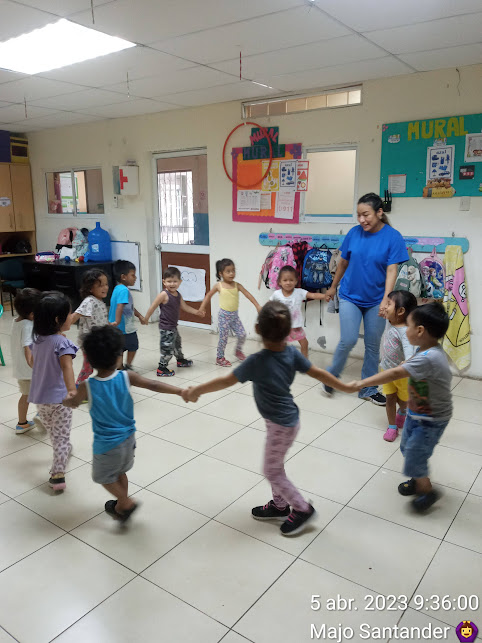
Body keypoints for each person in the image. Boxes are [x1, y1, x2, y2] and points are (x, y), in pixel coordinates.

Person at [186, 301, 357, 536]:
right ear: (289, 333)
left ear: (257, 328)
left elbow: (226, 381)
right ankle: (279, 505)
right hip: (284, 421)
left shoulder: (256, 361)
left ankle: (302, 508)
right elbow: (318, 373)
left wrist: (197, 390)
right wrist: (344, 386)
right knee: (276, 465)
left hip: (281, 425)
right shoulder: (292, 354)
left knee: (271, 470)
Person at [63, 325, 189, 522]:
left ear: (89, 360)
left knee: (103, 477)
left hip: (106, 445)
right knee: (119, 471)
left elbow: (73, 403)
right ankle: (121, 507)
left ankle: (125, 501)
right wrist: (180, 391)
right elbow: (153, 384)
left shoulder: (88, 386)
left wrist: (67, 398)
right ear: (118, 357)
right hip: (129, 439)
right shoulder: (126, 376)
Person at [351, 302, 451, 512]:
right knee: (407, 446)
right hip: (417, 412)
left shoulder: (429, 357)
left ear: (420, 331)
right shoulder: (426, 349)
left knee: (415, 453)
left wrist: (362, 383)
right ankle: (417, 477)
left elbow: (396, 373)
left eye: (408, 326)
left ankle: (427, 491)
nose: (406, 331)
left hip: (432, 419)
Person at [324, 193, 408, 405]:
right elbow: (343, 263)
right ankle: (332, 375)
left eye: (366, 214)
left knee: (372, 344)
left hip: (376, 300)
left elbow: (391, 270)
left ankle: (368, 389)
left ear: (379, 212)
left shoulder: (393, 237)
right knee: (349, 339)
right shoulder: (354, 233)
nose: (362, 220)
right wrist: (333, 287)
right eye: (359, 215)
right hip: (349, 296)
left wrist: (386, 300)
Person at [29, 292, 78, 491]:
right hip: (60, 399)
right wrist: (72, 390)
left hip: (40, 398)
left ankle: (64, 449)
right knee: (61, 436)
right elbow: (67, 367)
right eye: (69, 314)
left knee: (55, 433)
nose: (72, 316)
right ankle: (57, 475)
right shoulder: (62, 343)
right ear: (58, 319)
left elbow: (32, 363)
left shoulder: (37, 341)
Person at [144, 266, 205, 377]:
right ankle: (161, 368)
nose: (172, 284)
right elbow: (153, 306)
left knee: (177, 344)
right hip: (166, 327)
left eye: (175, 281)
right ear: (164, 282)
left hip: (173, 326)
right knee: (167, 348)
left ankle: (180, 360)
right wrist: (146, 318)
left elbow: (185, 307)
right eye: (169, 281)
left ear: (180, 282)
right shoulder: (164, 294)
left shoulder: (178, 294)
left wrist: (197, 312)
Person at [199, 258, 260, 367]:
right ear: (221, 273)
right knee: (223, 338)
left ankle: (238, 351)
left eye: (233, 271)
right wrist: (202, 308)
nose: (231, 273)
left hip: (234, 316)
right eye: (228, 271)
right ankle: (219, 357)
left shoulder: (237, 285)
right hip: (224, 316)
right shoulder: (219, 285)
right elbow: (208, 295)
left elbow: (248, 295)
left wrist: (257, 306)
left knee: (242, 334)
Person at [380, 291, 417, 442]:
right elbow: (385, 313)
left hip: (401, 375)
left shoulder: (405, 332)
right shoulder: (390, 321)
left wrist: (407, 361)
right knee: (389, 398)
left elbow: (409, 351)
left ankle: (402, 411)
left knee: (403, 400)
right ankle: (392, 427)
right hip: (386, 370)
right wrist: (385, 310)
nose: (385, 306)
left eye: (389, 304)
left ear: (401, 311)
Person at [270, 265, 325, 358]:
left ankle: (304, 361)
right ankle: (279, 360)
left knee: (304, 343)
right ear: (279, 282)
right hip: (281, 327)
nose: (288, 283)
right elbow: (269, 305)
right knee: (280, 345)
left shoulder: (299, 292)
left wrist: (325, 296)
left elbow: (313, 295)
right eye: (285, 280)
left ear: (296, 281)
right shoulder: (276, 294)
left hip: (296, 326)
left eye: (291, 280)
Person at [71, 268, 109, 385]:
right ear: (90, 288)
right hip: (89, 343)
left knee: (102, 364)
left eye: (106, 284)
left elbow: (99, 319)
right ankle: (78, 388)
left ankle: (101, 384)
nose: (105, 288)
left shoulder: (99, 301)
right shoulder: (89, 301)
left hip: (99, 341)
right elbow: (75, 316)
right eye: (100, 286)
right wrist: (59, 328)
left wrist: (109, 325)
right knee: (88, 368)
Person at [10, 288, 40, 434]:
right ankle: (42, 415)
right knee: (41, 393)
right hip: (30, 371)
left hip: (20, 369)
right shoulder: (28, 326)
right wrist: (34, 365)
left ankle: (22, 423)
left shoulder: (16, 322)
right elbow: (28, 347)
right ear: (33, 314)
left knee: (26, 395)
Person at [108, 260, 146, 370]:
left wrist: (139, 316)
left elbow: (129, 307)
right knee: (133, 346)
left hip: (115, 327)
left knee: (119, 349)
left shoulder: (117, 288)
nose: (135, 278)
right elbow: (120, 306)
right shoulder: (124, 290)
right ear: (123, 277)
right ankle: (128, 366)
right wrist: (118, 321)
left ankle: (120, 368)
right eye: (133, 275)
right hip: (125, 328)